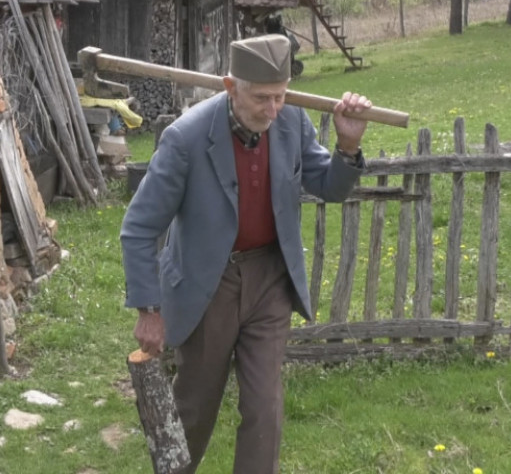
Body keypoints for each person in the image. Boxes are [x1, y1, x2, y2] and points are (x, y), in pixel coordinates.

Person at [120, 34, 371, 473]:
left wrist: (347, 147)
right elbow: (139, 228)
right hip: (207, 284)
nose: (272, 110)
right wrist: (148, 309)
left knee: (264, 408)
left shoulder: (292, 121)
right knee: (195, 408)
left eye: (280, 96)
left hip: (270, 280)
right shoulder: (187, 138)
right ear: (229, 86)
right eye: (261, 98)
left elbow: (328, 187)